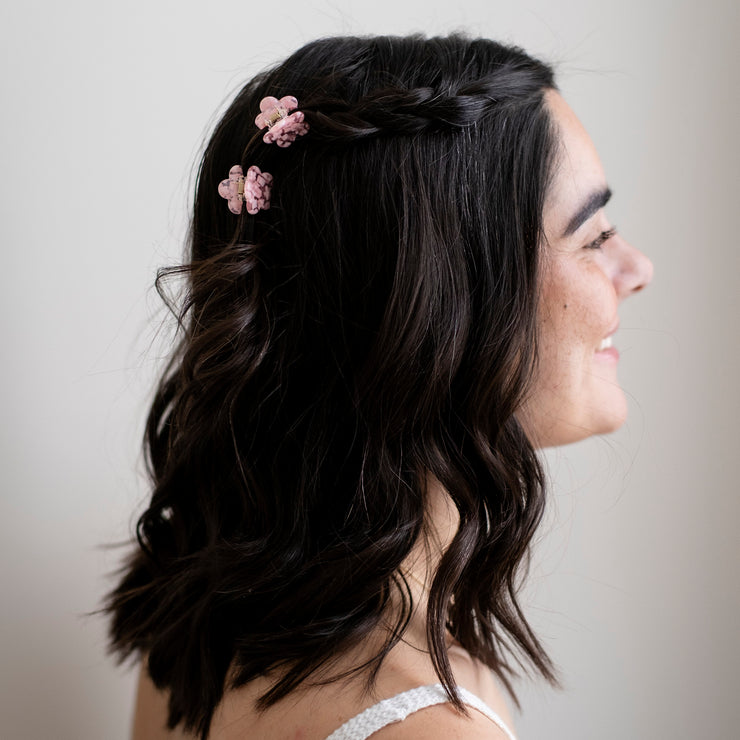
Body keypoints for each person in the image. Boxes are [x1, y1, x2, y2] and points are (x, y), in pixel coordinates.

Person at [105, 33, 653, 740]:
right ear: (444, 305)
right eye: (593, 235)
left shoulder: (206, 618)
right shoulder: (429, 728)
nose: (637, 268)